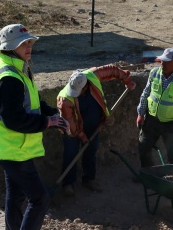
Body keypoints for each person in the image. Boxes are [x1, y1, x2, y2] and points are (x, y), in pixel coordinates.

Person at [0, 24, 69, 230]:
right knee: (39, 198)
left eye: (30, 42)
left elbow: (32, 102)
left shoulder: (17, 70)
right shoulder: (9, 78)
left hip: (10, 147)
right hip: (14, 148)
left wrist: (52, 114)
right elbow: (14, 119)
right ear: (11, 48)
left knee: (15, 194)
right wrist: (48, 122)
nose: (29, 47)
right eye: (24, 44)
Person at [57, 66, 136, 196]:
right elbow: (69, 122)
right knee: (70, 154)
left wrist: (127, 80)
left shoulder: (92, 76)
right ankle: (68, 184)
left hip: (93, 125)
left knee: (91, 151)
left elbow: (113, 70)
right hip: (72, 129)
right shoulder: (65, 98)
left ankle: (88, 179)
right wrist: (80, 134)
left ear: (86, 85)